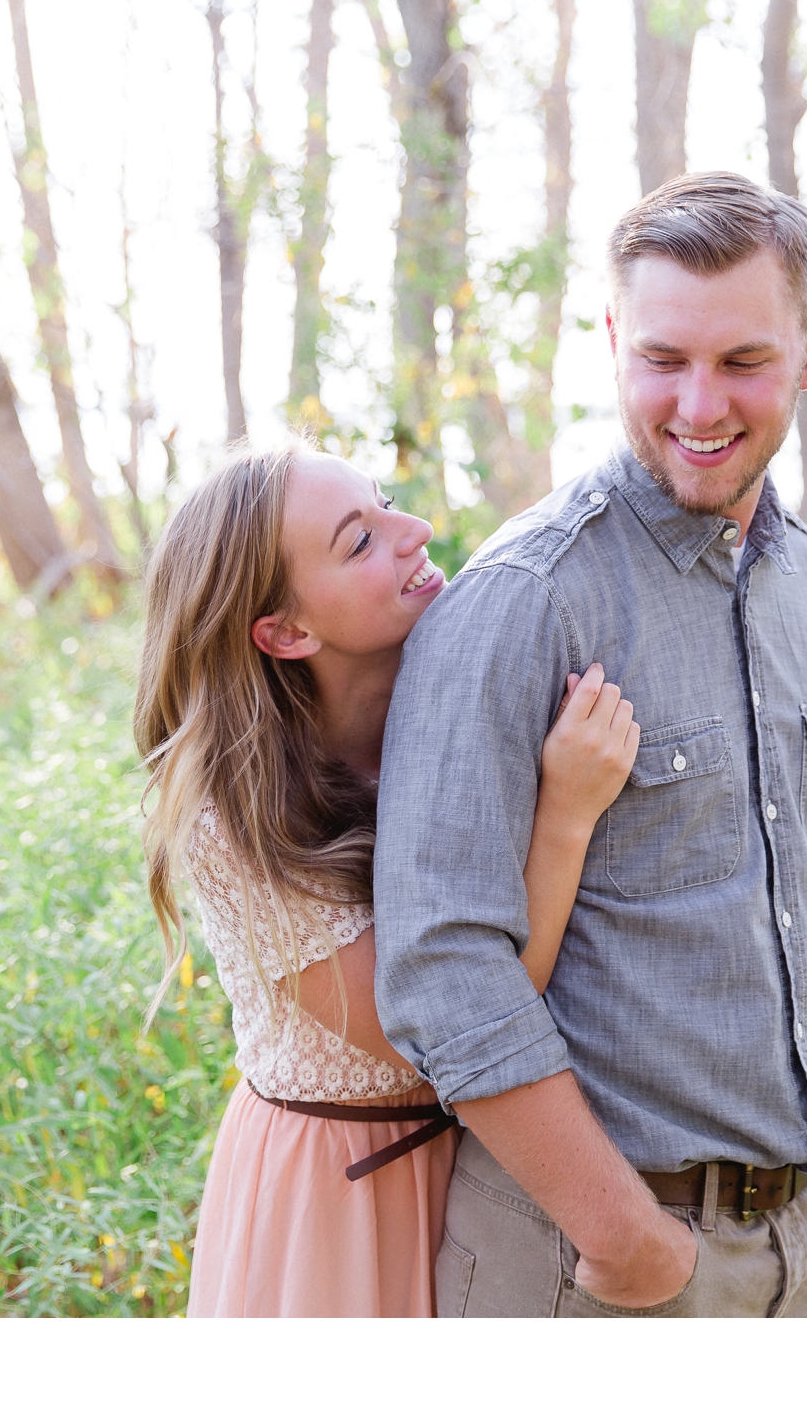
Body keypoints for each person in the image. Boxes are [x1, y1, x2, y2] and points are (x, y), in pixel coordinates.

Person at [372, 170, 807, 1318]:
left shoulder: (803, 579)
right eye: (662, 359)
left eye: (741, 361)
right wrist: (624, 1237)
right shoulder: (522, 601)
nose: (698, 405)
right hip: (588, 1267)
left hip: (800, 1248)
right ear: (610, 340)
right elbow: (439, 967)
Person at [132, 444, 640, 1317]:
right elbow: (457, 1027)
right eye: (360, 540)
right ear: (287, 631)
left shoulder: (461, 714)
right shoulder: (234, 822)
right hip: (337, 1196)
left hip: (492, 1160)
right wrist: (563, 815)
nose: (417, 532)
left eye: (387, 503)